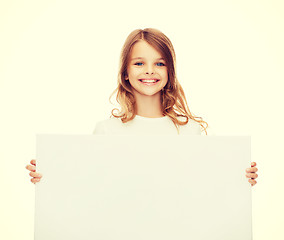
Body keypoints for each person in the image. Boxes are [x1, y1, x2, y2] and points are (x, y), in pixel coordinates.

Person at [25, 28, 258, 186]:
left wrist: (239, 176)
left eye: (159, 63)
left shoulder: (190, 131)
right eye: (139, 63)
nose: (149, 70)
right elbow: (88, 183)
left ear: (170, 72)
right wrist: (50, 173)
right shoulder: (107, 131)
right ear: (125, 72)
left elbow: (206, 184)